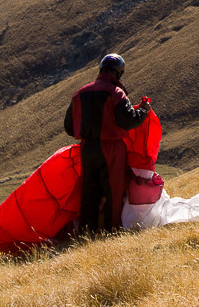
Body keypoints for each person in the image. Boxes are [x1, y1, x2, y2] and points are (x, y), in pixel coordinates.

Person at [64, 53, 151, 237]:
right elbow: (128, 121)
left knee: (89, 191)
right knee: (113, 190)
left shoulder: (80, 93)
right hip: (111, 148)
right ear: (118, 73)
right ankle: (111, 232)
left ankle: (87, 233)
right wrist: (143, 110)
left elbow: (69, 127)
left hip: (87, 149)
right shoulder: (116, 93)